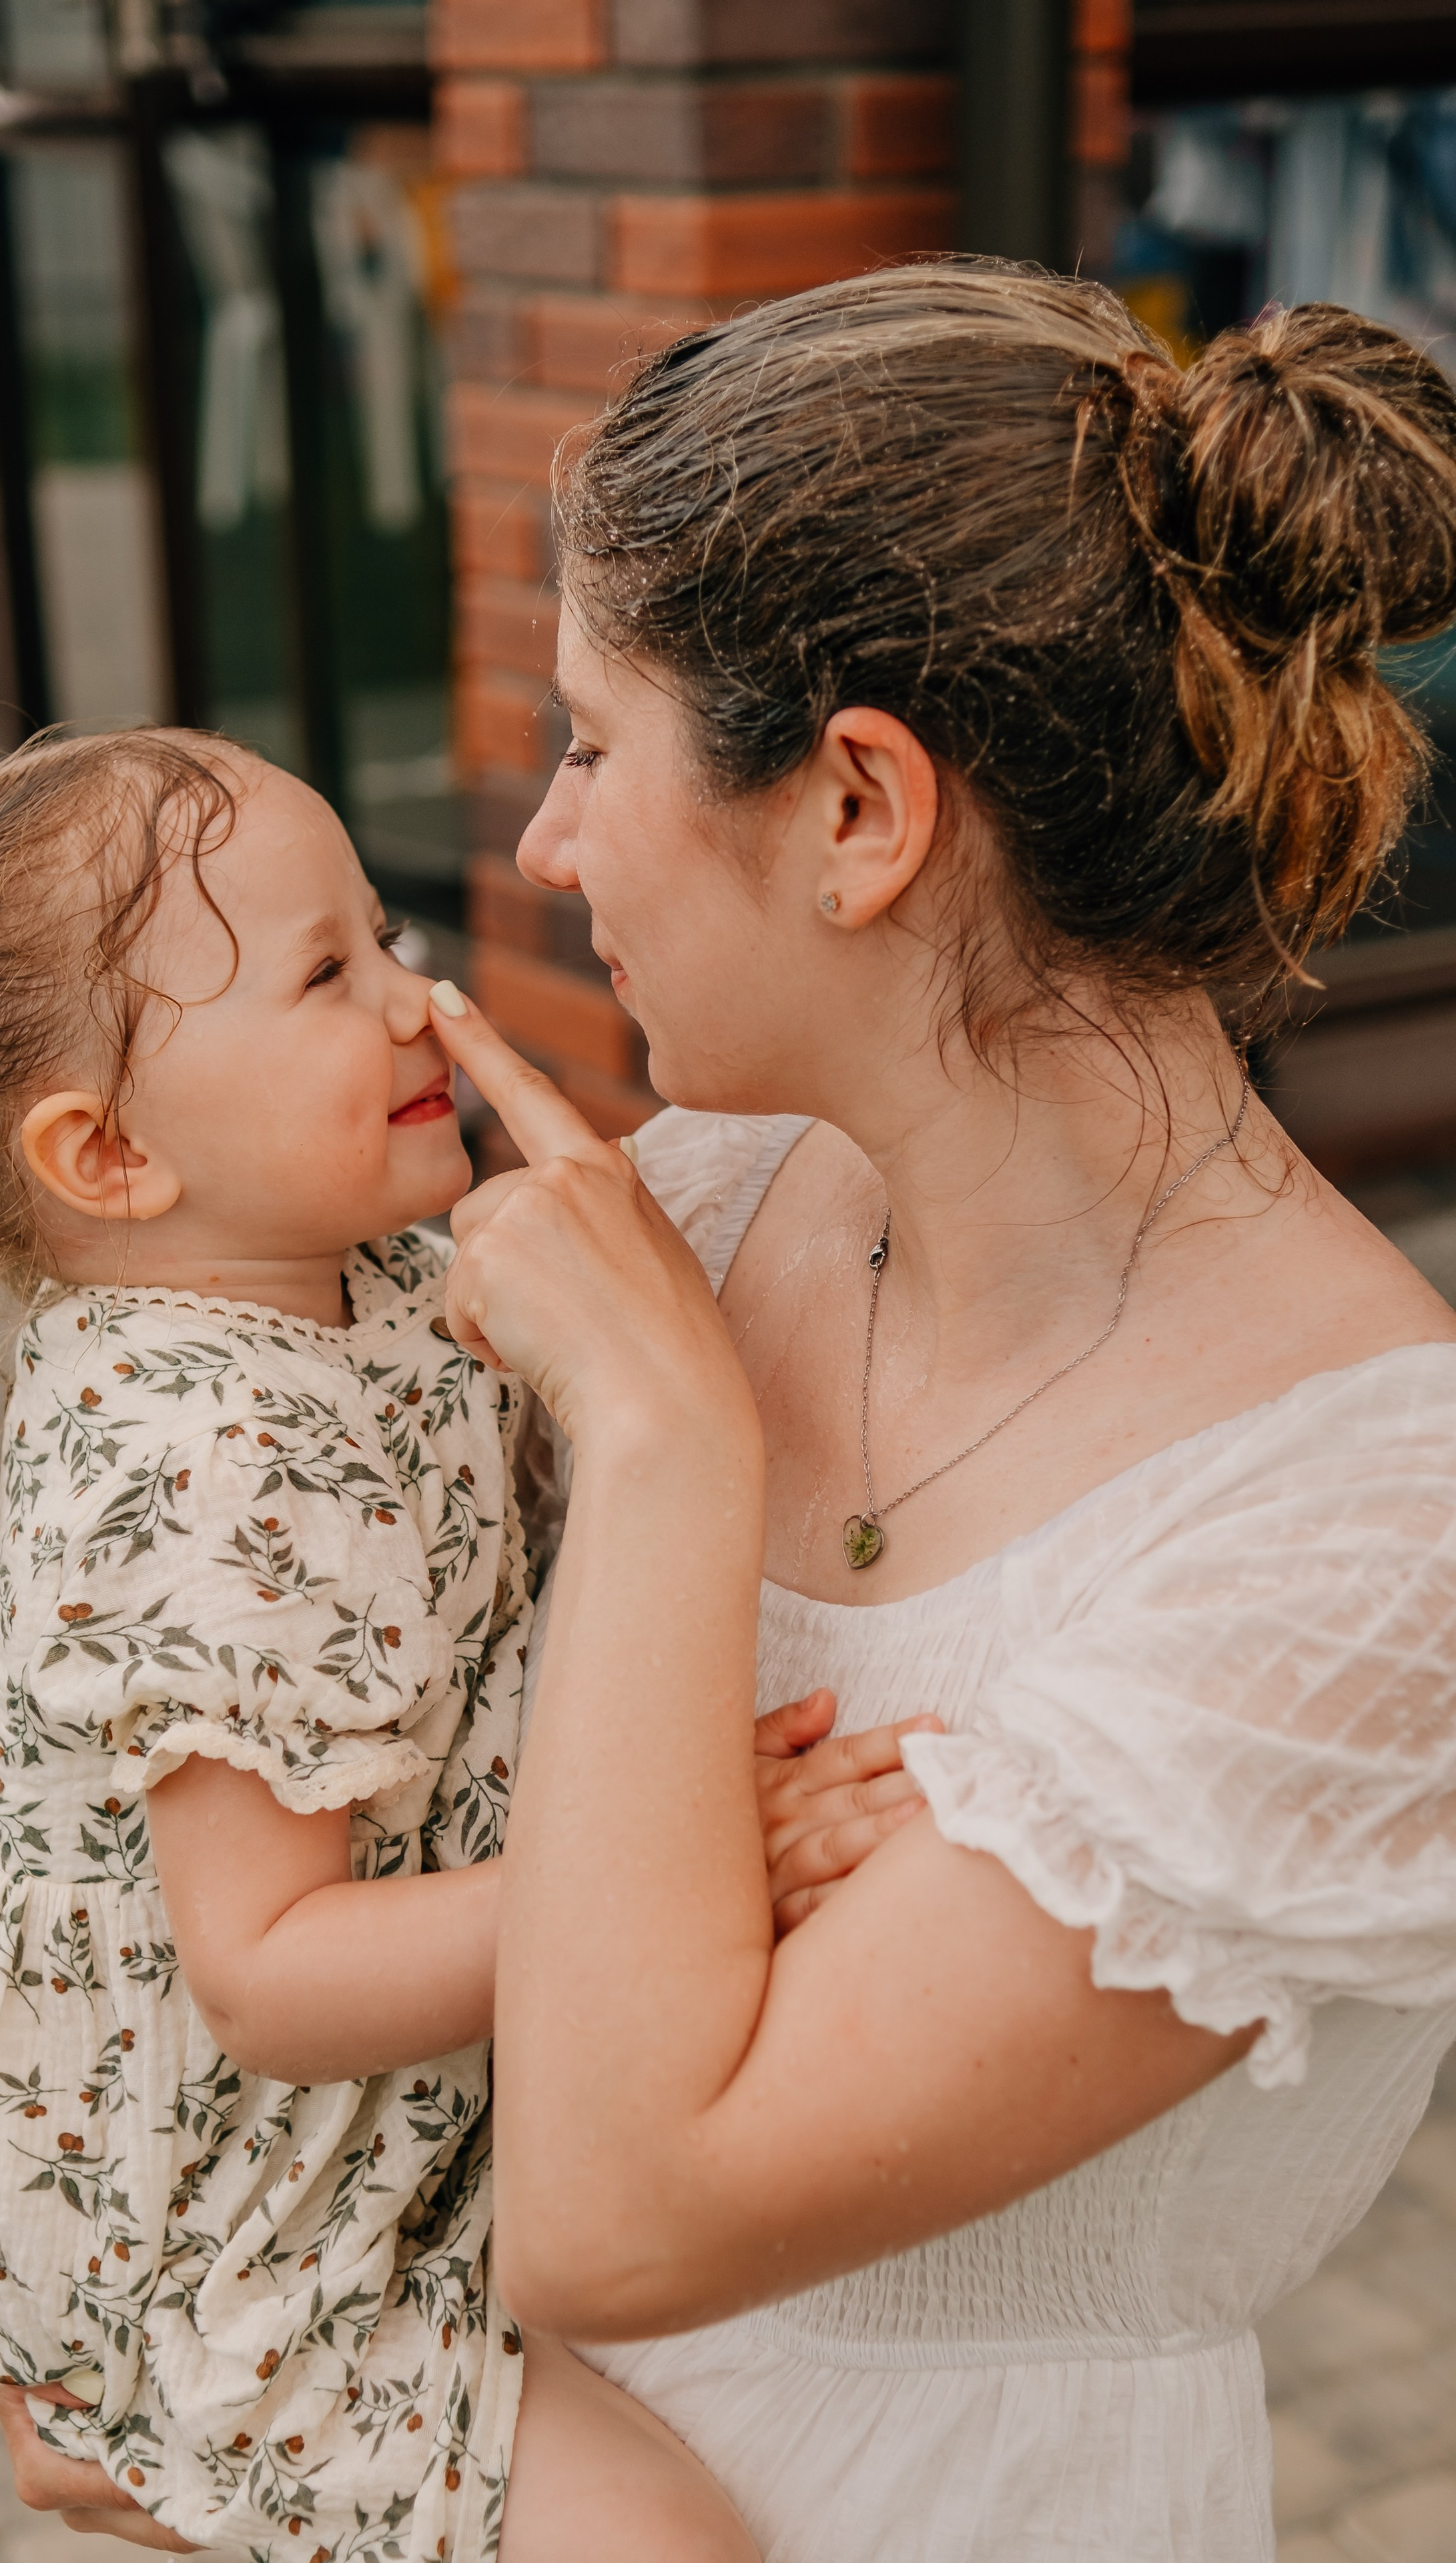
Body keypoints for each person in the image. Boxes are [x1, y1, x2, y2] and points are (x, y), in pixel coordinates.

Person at [408, 270, 1456, 2562]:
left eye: (596, 743)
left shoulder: (1385, 1535)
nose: (547, 853)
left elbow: (619, 2206)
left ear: (862, 806)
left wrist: (671, 1441)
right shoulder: (690, 1207)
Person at [0, 729, 845, 2558]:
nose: (418, 997)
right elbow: (272, 1976)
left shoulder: (351, 1282)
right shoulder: (206, 1450)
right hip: (241, 2276)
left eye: (383, 933)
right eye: (329, 975)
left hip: (359, 2182)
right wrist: (694, 1870)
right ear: (115, 1152)